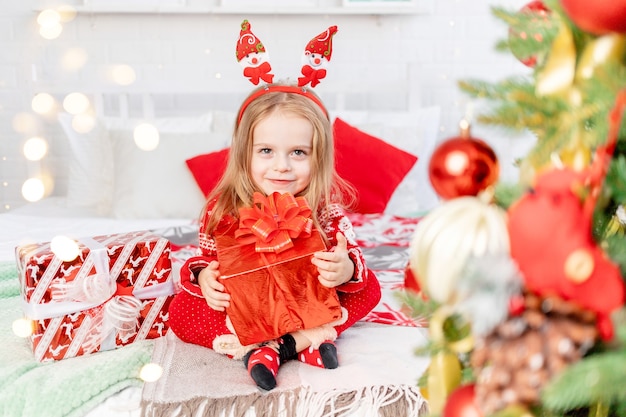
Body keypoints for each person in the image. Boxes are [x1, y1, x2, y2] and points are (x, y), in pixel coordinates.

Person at [167, 81, 381, 391]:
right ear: (245, 154)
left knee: (370, 288)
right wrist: (206, 279)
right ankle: (296, 344)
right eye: (266, 151)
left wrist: (343, 268)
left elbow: (347, 255)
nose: (282, 167)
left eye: (298, 152)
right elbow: (207, 258)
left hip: (307, 303)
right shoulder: (222, 208)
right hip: (250, 307)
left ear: (318, 156)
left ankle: (274, 349)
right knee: (180, 312)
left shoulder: (322, 207)